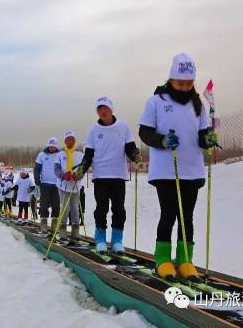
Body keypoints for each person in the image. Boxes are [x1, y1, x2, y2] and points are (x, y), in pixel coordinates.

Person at [138, 53, 217, 280]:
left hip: (192, 169)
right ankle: (162, 260)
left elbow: (201, 134)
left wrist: (208, 139)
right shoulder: (156, 102)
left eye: (189, 83)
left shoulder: (198, 104)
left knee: (187, 216)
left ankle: (185, 260)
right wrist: (162, 140)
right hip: (166, 169)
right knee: (169, 213)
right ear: (171, 79)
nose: (184, 87)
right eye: (180, 83)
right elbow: (145, 132)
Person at [80, 96, 141, 254]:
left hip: (118, 175)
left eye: (105, 107)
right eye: (99, 109)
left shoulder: (123, 127)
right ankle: (100, 239)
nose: (102, 111)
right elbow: (88, 155)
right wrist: (80, 171)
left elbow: (130, 147)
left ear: (111, 109)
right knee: (101, 208)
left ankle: (117, 240)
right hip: (100, 175)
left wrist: (135, 155)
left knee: (119, 209)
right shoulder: (93, 130)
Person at [54, 131, 84, 242]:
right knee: (65, 208)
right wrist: (62, 175)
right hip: (63, 186)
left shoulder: (80, 154)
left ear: (74, 141)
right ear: (65, 141)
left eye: (72, 139)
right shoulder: (60, 154)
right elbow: (56, 169)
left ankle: (75, 232)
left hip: (75, 186)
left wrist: (79, 175)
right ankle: (62, 231)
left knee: (75, 208)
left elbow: (82, 168)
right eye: (68, 139)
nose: (70, 141)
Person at [34, 137, 61, 232]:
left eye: (53, 146)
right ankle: (44, 224)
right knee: (44, 205)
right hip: (45, 184)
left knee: (56, 205)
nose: (52, 148)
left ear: (56, 146)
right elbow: (37, 168)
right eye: (50, 146)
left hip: (57, 185)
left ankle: (55, 224)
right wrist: (37, 179)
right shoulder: (41, 155)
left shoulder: (60, 154)